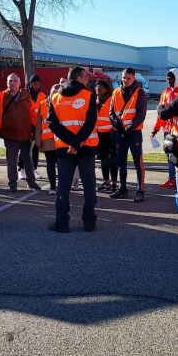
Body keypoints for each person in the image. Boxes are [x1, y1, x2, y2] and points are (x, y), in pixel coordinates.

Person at [47, 66, 99, 233]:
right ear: (78, 78)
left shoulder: (54, 97)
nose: (87, 80)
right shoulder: (89, 96)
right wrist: (76, 143)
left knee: (63, 186)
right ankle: (89, 222)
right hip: (86, 147)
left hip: (64, 148)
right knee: (89, 186)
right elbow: (90, 123)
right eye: (85, 77)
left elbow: (52, 123)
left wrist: (70, 142)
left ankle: (62, 223)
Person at [0, 73, 41, 193]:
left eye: (15, 81)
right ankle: (12, 184)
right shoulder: (1, 97)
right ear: (7, 83)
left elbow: (33, 114)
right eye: (10, 81)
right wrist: (0, 132)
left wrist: (34, 131)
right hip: (9, 135)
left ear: (20, 83)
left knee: (27, 160)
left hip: (25, 134)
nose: (13, 83)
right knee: (11, 161)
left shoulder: (26, 96)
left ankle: (31, 182)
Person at [109, 67, 147, 202]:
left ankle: (140, 190)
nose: (125, 80)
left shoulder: (140, 93)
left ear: (134, 78)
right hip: (120, 133)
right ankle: (123, 188)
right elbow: (111, 113)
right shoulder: (116, 92)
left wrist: (129, 129)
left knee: (138, 163)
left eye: (128, 78)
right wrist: (119, 127)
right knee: (121, 162)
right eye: (124, 78)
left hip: (134, 133)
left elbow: (141, 115)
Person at [151, 69, 178, 190]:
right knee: (170, 156)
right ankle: (172, 180)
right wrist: (156, 128)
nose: (169, 80)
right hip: (168, 130)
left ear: (177, 78)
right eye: (167, 78)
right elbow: (160, 113)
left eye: (171, 78)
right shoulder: (165, 93)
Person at [35, 84, 62, 195]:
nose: (54, 94)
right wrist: (37, 138)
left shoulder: (62, 103)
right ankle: (52, 186)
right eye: (53, 91)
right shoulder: (43, 104)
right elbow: (38, 123)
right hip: (48, 139)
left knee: (61, 164)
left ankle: (62, 185)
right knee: (50, 163)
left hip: (61, 138)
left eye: (57, 92)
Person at [19, 74, 46, 180]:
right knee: (24, 148)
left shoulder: (42, 95)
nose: (36, 85)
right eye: (34, 83)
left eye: (38, 83)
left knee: (35, 149)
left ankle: (34, 169)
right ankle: (21, 169)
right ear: (30, 83)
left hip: (38, 125)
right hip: (26, 125)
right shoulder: (24, 94)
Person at [95, 80, 119, 192]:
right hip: (99, 134)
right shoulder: (94, 102)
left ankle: (114, 182)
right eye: (97, 87)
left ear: (106, 89)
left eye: (101, 87)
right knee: (103, 158)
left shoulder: (112, 100)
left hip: (111, 134)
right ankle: (106, 181)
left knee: (113, 158)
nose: (98, 89)